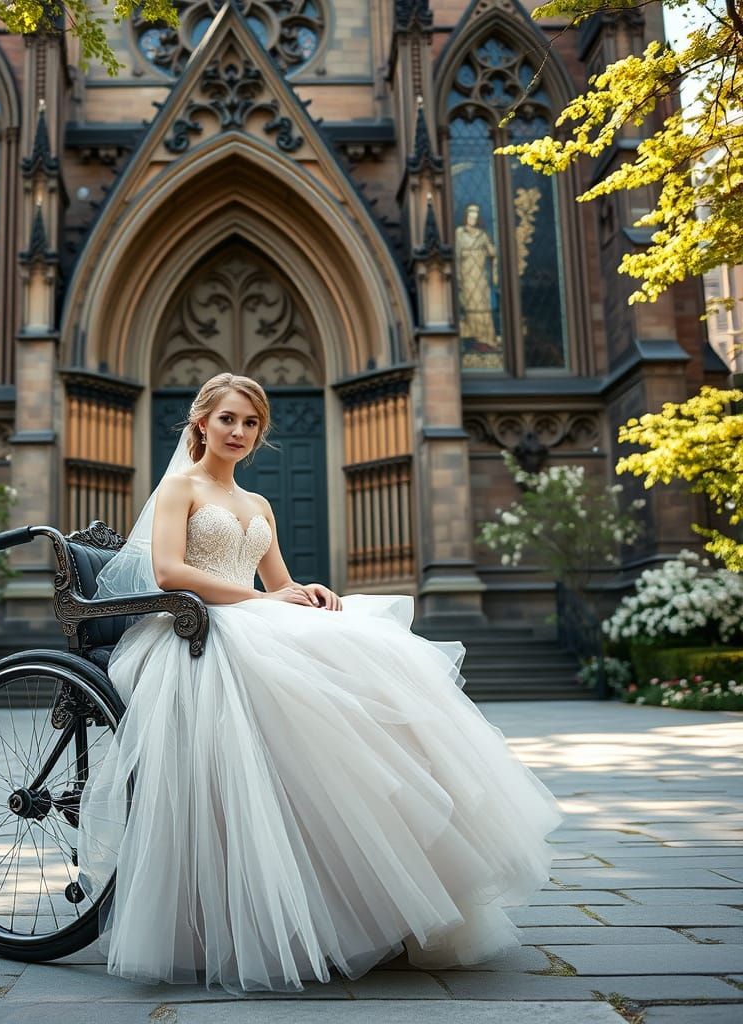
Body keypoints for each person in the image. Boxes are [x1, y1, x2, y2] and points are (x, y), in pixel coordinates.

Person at [78, 372, 562, 994]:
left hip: (251, 615)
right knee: (327, 667)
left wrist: (307, 594)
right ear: (201, 422)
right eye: (228, 419)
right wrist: (267, 599)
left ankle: (381, 883)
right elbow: (170, 571)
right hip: (194, 627)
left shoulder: (259, 506)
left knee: (370, 647)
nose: (240, 433)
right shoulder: (180, 488)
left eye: (251, 423)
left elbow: (279, 578)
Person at [455, 203, 501, 367]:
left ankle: (487, 340)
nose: (472, 219)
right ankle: (474, 340)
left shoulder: (482, 235)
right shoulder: (459, 233)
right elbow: (456, 255)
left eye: (475, 216)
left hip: (480, 277)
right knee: (470, 307)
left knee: (484, 307)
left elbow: (493, 252)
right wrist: (458, 277)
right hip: (466, 278)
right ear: (465, 217)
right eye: (470, 216)